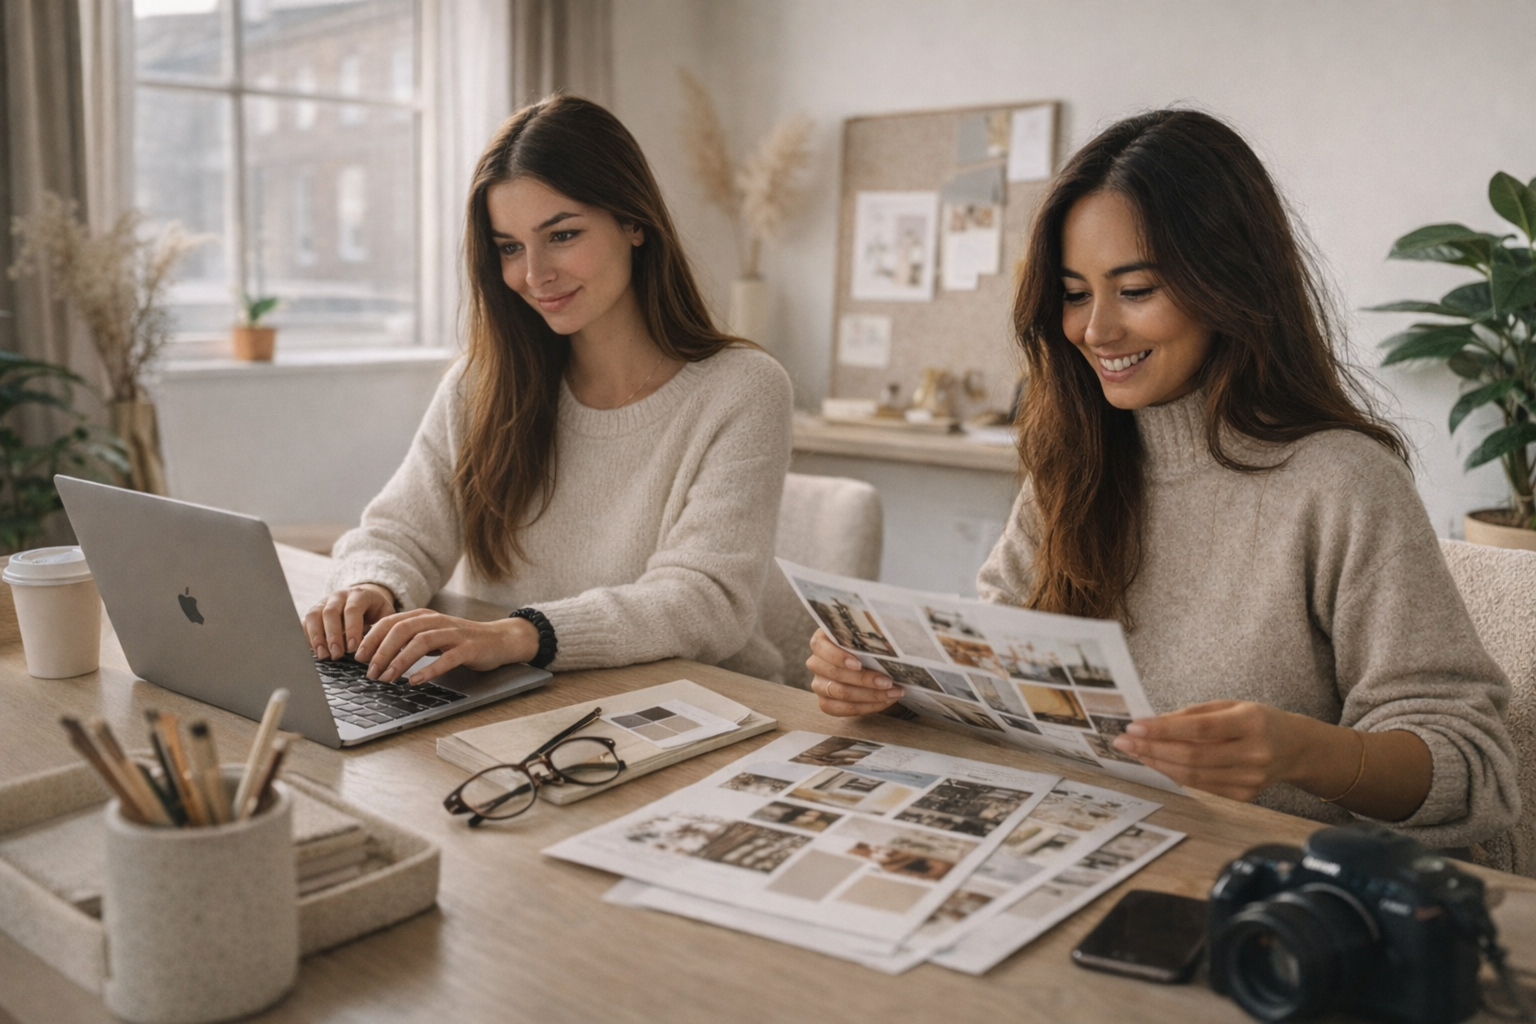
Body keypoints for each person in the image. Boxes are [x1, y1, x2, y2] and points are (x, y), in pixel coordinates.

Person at [807, 109, 1519, 851]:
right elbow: (998, 678)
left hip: (1262, 892)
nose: (1095, 330)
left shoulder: (1340, 480)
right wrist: (889, 687)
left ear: (1229, 282)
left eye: (1136, 290)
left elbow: (1477, 769)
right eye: (1076, 292)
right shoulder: (1075, 456)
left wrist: (1304, 752)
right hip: (1073, 853)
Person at [305, 94, 793, 685]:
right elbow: (396, 533)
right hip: (518, 697)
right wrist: (369, 585)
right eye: (509, 247)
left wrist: (518, 635)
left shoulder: (742, 389)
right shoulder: (481, 383)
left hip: (698, 705)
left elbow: (704, 598)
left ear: (633, 222)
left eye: (561, 235)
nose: (533, 275)